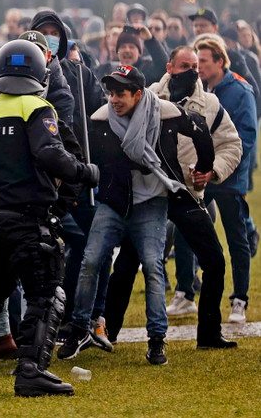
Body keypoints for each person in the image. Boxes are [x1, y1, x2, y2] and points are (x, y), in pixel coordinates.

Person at [0, 40, 99, 396]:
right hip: (28, 218)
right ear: (39, 75)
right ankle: (31, 370)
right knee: (46, 295)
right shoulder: (37, 107)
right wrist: (85, 172)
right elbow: (50, 154)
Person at [58, 65, 213, 366]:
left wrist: (204, 167)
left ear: (138, 95)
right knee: (90, 261)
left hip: (152, 203)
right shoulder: (100, 121)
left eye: (121, 93)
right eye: (111, 93)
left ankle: (156, 340)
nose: (113, 100)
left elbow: (201, 128)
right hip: (113, 203)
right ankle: (79, 330)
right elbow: (82, 157)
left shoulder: (166, 114)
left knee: (153, 268)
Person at [103, 46, 241, 348]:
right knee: (127, 263)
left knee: (214, 260)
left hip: (185, 192)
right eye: (184, 66)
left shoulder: (211, 104)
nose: (191, 72)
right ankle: (108, 331)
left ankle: (209, 333)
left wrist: (212, 170)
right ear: (169, 67)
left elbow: (232, 145)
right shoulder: (145, 96)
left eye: (195, 66)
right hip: (149, 193)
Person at [190, 34, 256, 323]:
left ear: (220, 61)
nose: (199, 67)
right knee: (189, 229)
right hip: (200, 175)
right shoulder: (198, 88)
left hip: (230, 179)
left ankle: (239, 299)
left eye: (204, 61)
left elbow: (246, 137)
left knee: (236, 238)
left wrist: (218, 166)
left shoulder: (241, 91)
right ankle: (186, 290)